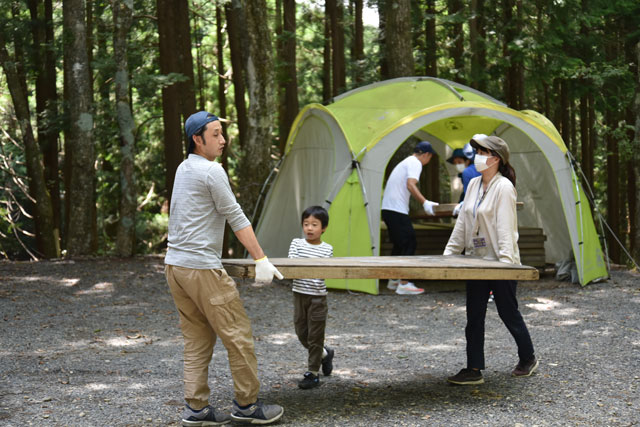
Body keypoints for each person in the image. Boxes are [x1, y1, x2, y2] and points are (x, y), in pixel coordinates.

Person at [165, 111, 285, 425]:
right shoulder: (212, 171)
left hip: (175, 267)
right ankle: (246, 405)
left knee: (197, 339)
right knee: (239, 335)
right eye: (215, 134)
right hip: (201, 269)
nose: (223, 140)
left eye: (222, 133)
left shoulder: (184, 167)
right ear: (197, 138)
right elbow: (236, 217)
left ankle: (197, 409)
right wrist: (261, 258)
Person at [443, 135, 537, 385]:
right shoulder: (473, 184)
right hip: (476, 261)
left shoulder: (504, 186)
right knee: (474, 315)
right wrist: (449, 256)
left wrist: (507, 266)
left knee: (508, 312)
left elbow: (506, 229)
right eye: (476, 151)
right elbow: (463, 223)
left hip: (501, 262)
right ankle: (473, 369)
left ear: (496, 158)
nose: (477, 155)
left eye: (482, 151)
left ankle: (528, 357)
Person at [381, 140, 439, 295]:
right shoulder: (415, 163)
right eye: (430, 158)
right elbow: (410, 184)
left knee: (399, 245)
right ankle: (404, 283)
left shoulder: (405, 162)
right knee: (409, 243)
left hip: (388, 209)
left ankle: (393, 280)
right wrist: (425, 202)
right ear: (426, 155)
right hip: (396, 210)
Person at [287, 206, 334, 390]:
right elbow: (292, 265)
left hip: (318, 298)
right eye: (306, 224)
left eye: (315, 224)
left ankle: (313, 373)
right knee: (301, 333)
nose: (310, 228)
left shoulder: (327, 249)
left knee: (315, 335)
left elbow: (324, 271)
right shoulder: (296, 244)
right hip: (299, 294)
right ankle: (324, 354)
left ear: (323, 228)